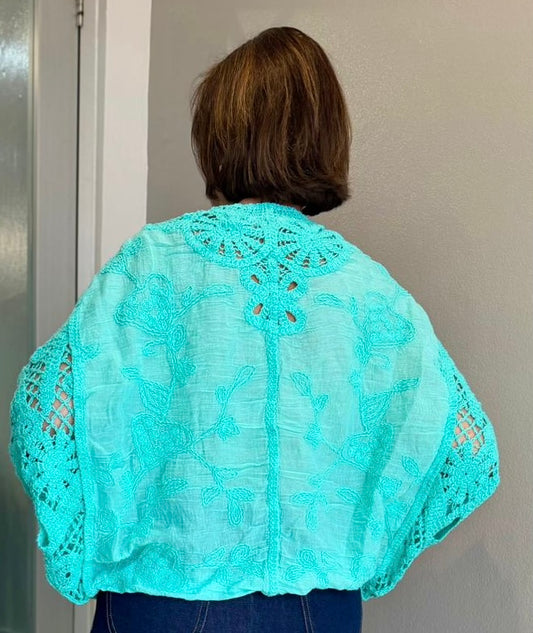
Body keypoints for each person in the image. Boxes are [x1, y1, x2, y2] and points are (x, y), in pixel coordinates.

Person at [9, 26, 499, 633]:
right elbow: (469, 450)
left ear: (218, 136)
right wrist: (368, 543)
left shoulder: (154, 262)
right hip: (319, 609)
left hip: (164, 600)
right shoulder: (369, 289)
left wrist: (91, 534)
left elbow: (43, 413)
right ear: (327, 137)